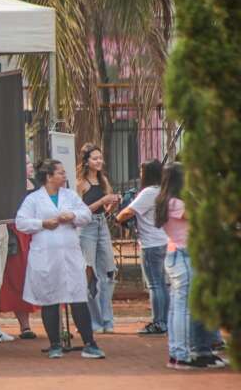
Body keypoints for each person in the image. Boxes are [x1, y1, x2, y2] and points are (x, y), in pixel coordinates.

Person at [16, 159, 105, 359]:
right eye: (61, 173)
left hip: (70, 255)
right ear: (49, 177)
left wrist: (72, 216)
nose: (65, 176)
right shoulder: (34, 199)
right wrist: (42, 223)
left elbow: (86, 215)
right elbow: (21, 222)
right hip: (46, 255)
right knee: (50, 299)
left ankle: (90, 343)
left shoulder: (70, 195)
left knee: (78, 297)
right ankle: (55, 344)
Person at [154, 163, 225, 370]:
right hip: (184, 255)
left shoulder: (168, 200)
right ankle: (179, 354)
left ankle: (192, 350)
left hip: (182, 255)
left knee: (184, 307)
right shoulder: (175, 203)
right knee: (182, 308)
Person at [116, 159, 169, 335]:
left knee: (155, 285)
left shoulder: (148, 192)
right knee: (162, 284)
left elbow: (128, 212)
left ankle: (159, 322)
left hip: (151, 244)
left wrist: (118, 217)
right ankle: (165, 320)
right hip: (163, 241)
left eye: (141, 172)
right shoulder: (164, 191)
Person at [76, 143, 120, 333]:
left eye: (100, 158)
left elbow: (107, 209)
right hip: (87, 227)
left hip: (102, 224)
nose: (99, 161)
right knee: (90, 273)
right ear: (86, 162)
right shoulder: (81, 183)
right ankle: (94, 321)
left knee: (108, 272)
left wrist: (111, 204)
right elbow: (79, 211)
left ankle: (106, 320)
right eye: (95, 158)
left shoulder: (103, 181)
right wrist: (101, 201)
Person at [0, 155, 39, 339]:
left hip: (39, 234)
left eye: (30, 163)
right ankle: (25, 326)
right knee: (18, 279)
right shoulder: (8, 188)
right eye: (26, 163)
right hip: (18, 236)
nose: (30, 166)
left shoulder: (38, 185)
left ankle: (57, 324)